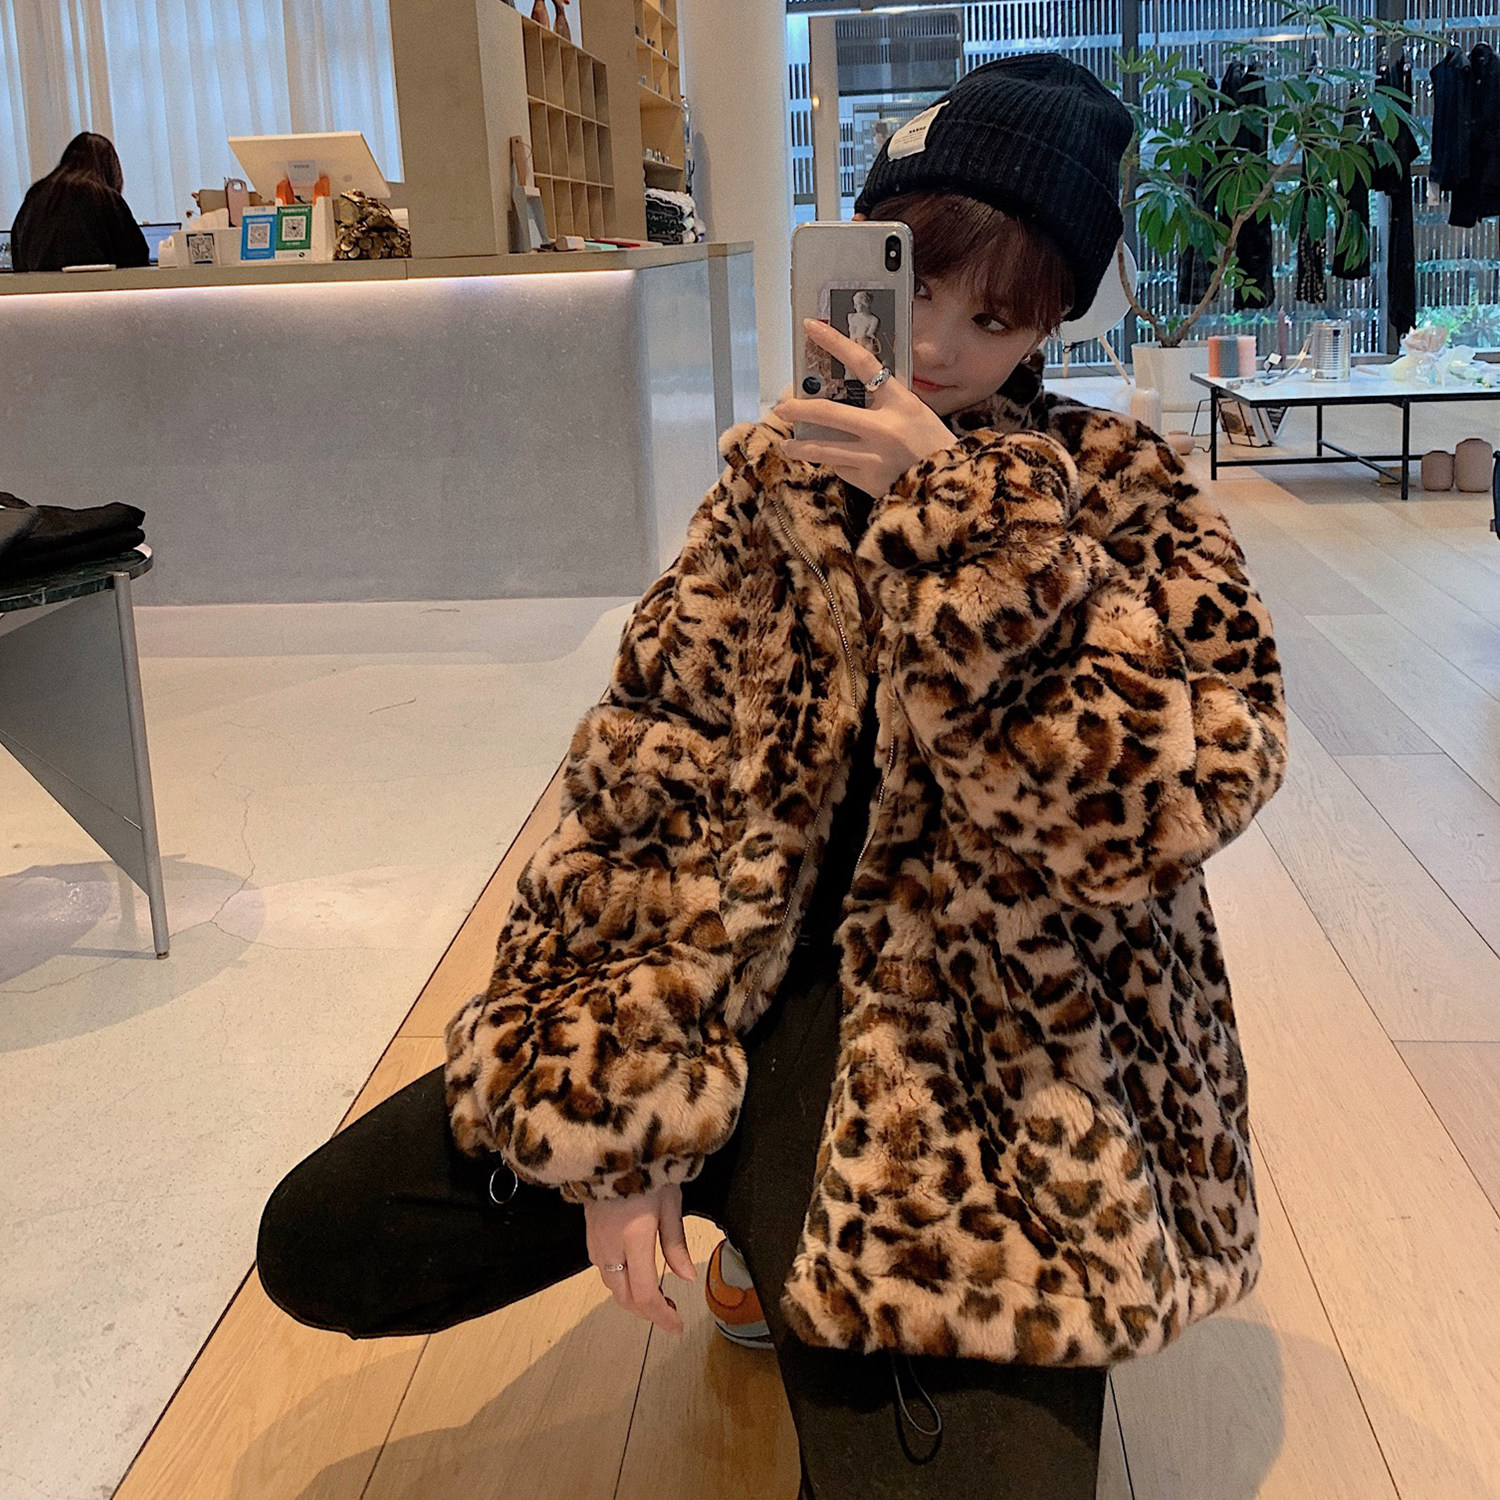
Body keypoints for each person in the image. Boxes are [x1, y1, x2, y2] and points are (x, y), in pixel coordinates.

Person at [258, 55, 1286, 1499]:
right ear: (855, 261)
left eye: (995, 317)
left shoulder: (1122, 491)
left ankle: (786, 1229)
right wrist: (623, 1120)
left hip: (987, 1072)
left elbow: (1158, 809)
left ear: (1052, 323)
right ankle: (750, 1201)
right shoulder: (769, 483)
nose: (936, 347)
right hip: (732, 990)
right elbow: (637, 793)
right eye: (911, 287)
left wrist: (960, 527)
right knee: (325, 1240)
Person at [10, 132, 149, 272]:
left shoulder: (35, 195)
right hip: (97, 283)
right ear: (110, 169)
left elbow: (18, 252)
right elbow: (136, 259)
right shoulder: (105, 197)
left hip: (38, 284)